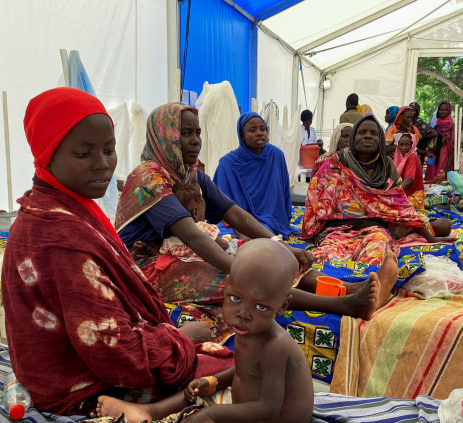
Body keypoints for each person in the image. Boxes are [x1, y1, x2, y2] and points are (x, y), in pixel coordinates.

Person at [1, 88, 234, 416]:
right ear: (48, 154)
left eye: (109, 150)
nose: (103, 164)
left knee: (233, 358)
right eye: (84, 153)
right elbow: (116, 354)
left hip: (72, 365)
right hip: (81, 384)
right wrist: (180, 340)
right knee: (242, 372)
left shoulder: (59, 209)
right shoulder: (61, 237)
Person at [116, 104, 382, 334]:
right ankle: (344, 305)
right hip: (147, 266)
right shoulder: (148, 177)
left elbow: (234, 214)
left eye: (197, 132)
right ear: (165, 136)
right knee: (239, 279)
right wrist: (238, 268)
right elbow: (191, 235)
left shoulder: (190, 174)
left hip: (181, 251)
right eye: (185, 133)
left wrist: (280, 245)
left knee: (266, 254)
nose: (196, 140)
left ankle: (348, 288)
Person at [68, 239, 314, 423]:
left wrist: (214, 415)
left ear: (282, 306)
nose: (243, 314)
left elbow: (269, 407)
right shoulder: (249, 330)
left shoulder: (275, 345)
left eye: (260, 307)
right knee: (197, 390)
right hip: (247, 406)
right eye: (235, 299)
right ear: (226, 291)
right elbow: (245, 368)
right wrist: (215, 381)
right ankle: (150, 411)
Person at [303, 114, 423, 296]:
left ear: (381, 140)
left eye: (374, 133)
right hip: (336, 231)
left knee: (376, 254)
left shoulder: (386, 167)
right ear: (353, 138)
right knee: (325, 259)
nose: (368, 136)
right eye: (362, 132)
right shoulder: (333, 164)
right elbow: (315, 201)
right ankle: (342, 290)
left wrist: (427, 233)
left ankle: (367, 291)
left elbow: (400, 206)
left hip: (373, 230)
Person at [214, 112, 293, 239]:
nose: (259, 133)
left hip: (270, 218)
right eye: (252, 130)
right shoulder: (228, 163)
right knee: (218, 234)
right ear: (242, 136)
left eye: (263, 129)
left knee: (264, 233)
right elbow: (219, 201)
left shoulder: (276, 155)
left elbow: (284, 192)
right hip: (236, 220)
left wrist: (283, 219)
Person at [157, 183, 230, 261]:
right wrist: (227, 239)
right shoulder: (203, 228)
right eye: (204, 212)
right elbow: (222, 246)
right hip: (206, 268)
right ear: (195, 212)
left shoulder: (169, 238)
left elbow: (162, 254)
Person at [393, 133, 425, 210]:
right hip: (410, 195)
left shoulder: (411, 158)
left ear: (412, 145)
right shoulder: (402, 158)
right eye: (401, 145)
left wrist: (394, 194)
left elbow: (409, 179)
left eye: (407, 145)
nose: (403, 148)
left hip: (414, 197)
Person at [428, 101, 455, 181]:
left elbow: (452, 147)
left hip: (444, 155)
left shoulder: (451, 125)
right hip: (433, 155)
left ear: (449, 111)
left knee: (440, 177)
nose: (442, 111)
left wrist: (447, 166)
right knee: (430, 173)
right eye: (440, 109)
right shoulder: (434, 124)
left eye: (445, 110)